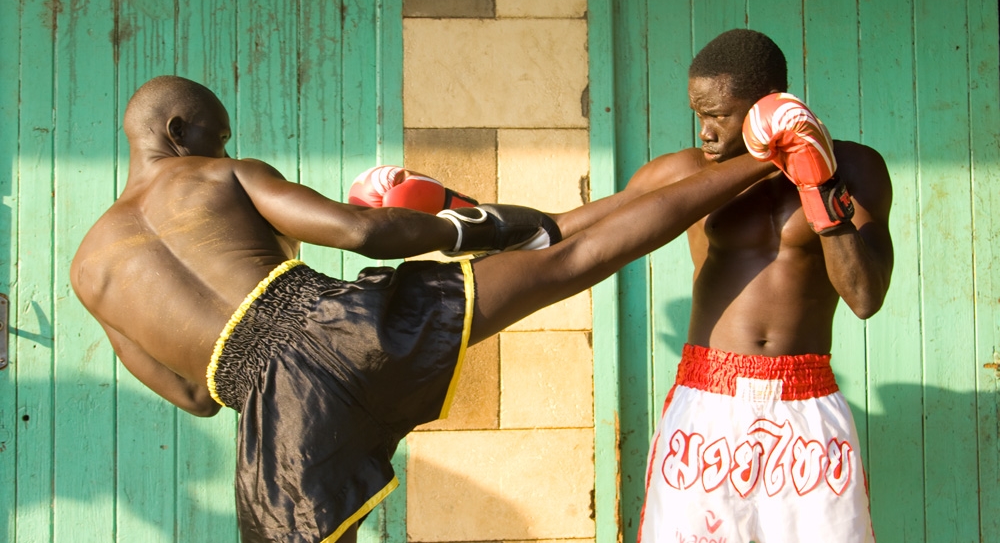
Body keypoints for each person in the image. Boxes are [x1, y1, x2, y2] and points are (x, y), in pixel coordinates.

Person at [70, 75, 781, 543]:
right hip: (334, 326)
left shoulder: (89, 271)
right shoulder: (221, 174)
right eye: (219, 134)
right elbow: (361, 232)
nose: (226, 146)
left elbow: (196, 397)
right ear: (177, 132)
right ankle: (771, 155)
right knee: (563, 259)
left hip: (265, 404)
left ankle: (528, 223)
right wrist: (474, 226)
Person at [555, 29, 893, 542]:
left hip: (805, 407)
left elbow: (865, 297)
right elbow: (565, 231)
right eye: (699, 114)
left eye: (718, 115)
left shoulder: (856, 167)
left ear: (766, 106)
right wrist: (452, 217)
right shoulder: (685, 172)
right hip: (707, 403)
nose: (705, 132)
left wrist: (820, 188)